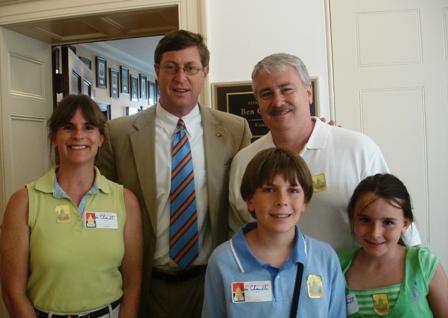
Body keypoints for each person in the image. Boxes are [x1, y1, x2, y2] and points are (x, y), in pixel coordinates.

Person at [97, 30, 252, 317]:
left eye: (190, 68)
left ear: (205, 71)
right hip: (145, 285)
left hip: (210, 282)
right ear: (157, 71)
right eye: (171, 67)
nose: (181, 78)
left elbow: (251, 196)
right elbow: (101, 204)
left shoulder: (234, 130)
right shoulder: (118, 134)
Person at [228, 53, 421, 249]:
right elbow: (239, 233)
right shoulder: (245, 161)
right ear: (258, 102)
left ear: (308, 93)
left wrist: (418, 268)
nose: (278, 102)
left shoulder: (357, 149)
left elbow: (398, 221)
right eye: (266, 94)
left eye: (286, 90)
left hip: (349, 277)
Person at [0, 94, 143, 317]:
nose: (79, 135)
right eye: (68, 127)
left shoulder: (125, 201)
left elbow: (133, 284)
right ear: (54, 137)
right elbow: (12, 291)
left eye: (88, 127)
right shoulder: (24, 201)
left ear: (101, 138)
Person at [203, 147, 346, 317]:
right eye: (269, 189)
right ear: (250, 200)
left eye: (293, 190)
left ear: (305, 202)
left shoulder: (325, 259)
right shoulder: (223, 261)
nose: (282, 201)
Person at [338, 173, 448, 317]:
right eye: (365, 219)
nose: (375, 233)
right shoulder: (339, 266)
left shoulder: (423, 265)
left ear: (405, 224)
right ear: (352, 219)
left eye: (388, 222)